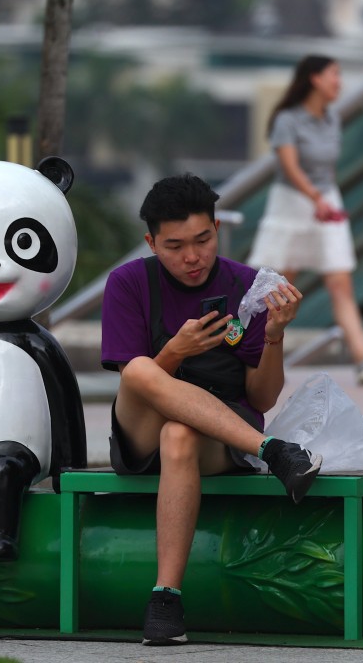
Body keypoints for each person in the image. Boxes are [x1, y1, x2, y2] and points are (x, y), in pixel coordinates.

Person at [100, 173, 323, 646]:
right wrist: (176, 352)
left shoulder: (249, 286)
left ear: (218, 228)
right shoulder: (127, 283)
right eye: (175, 245)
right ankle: (275, 451)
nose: (192, 257)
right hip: (141, 432)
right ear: (151, 243)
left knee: (179, 435)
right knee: (139, 370)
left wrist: (276, 334)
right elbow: (134, 384)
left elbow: (261, 398)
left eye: (203, 240)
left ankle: (165, 600)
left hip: (218, 439)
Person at [247, 55, 363, 385]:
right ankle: (252, 355)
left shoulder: (331, 119)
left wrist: (328, 201)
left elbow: (327, 168)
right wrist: (315, 199)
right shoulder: (287, 119)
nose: (339, 82)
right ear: (315, 78)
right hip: (292, 203)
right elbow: (289, 166)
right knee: (278, 287)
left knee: (340, 282)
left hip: (325, 201)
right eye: (334, 75)